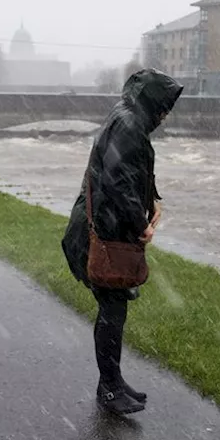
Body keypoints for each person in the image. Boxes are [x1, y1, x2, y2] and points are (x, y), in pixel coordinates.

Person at [61, 68, 183, 416]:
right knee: (113, 311)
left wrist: (153, 198)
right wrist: (141, 224)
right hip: (102, 234)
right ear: (152, 101)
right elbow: (118, 182)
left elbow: (131, 172)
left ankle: (112, 382)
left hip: (101, 229)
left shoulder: (127, 117)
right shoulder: (131, 125)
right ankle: (110, 388)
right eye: (165, 106)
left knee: (113, 310)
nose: (166, 115)